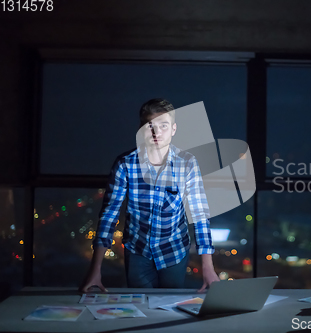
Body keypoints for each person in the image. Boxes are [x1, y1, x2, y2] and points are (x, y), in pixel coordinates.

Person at [80, 98, 219, 292]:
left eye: (163, 125)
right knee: (140, 307)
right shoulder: (125, 164)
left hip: (174, 253)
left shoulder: (187, 163)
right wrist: (95, 270)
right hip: (137, 252)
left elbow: (200, 214)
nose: (156, 132)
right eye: (149, 126)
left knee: (171, 311)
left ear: (173, 129)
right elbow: (108, 215)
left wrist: (208, 268)